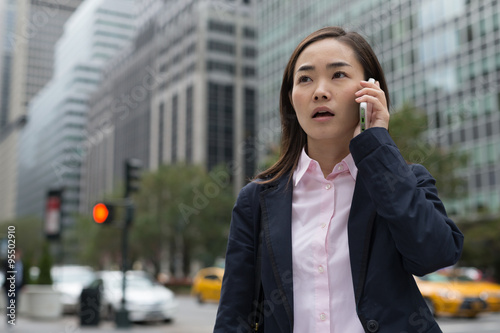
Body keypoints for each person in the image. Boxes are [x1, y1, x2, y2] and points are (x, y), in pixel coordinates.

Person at [213, 26, 464, 333]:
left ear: (370, 91)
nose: (320, 90)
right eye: (305, 79)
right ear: (291, 99)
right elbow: (233, 315)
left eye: (338, 75)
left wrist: (377, 145)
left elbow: (434, 257)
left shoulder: (403, 180)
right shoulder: (257, 199)